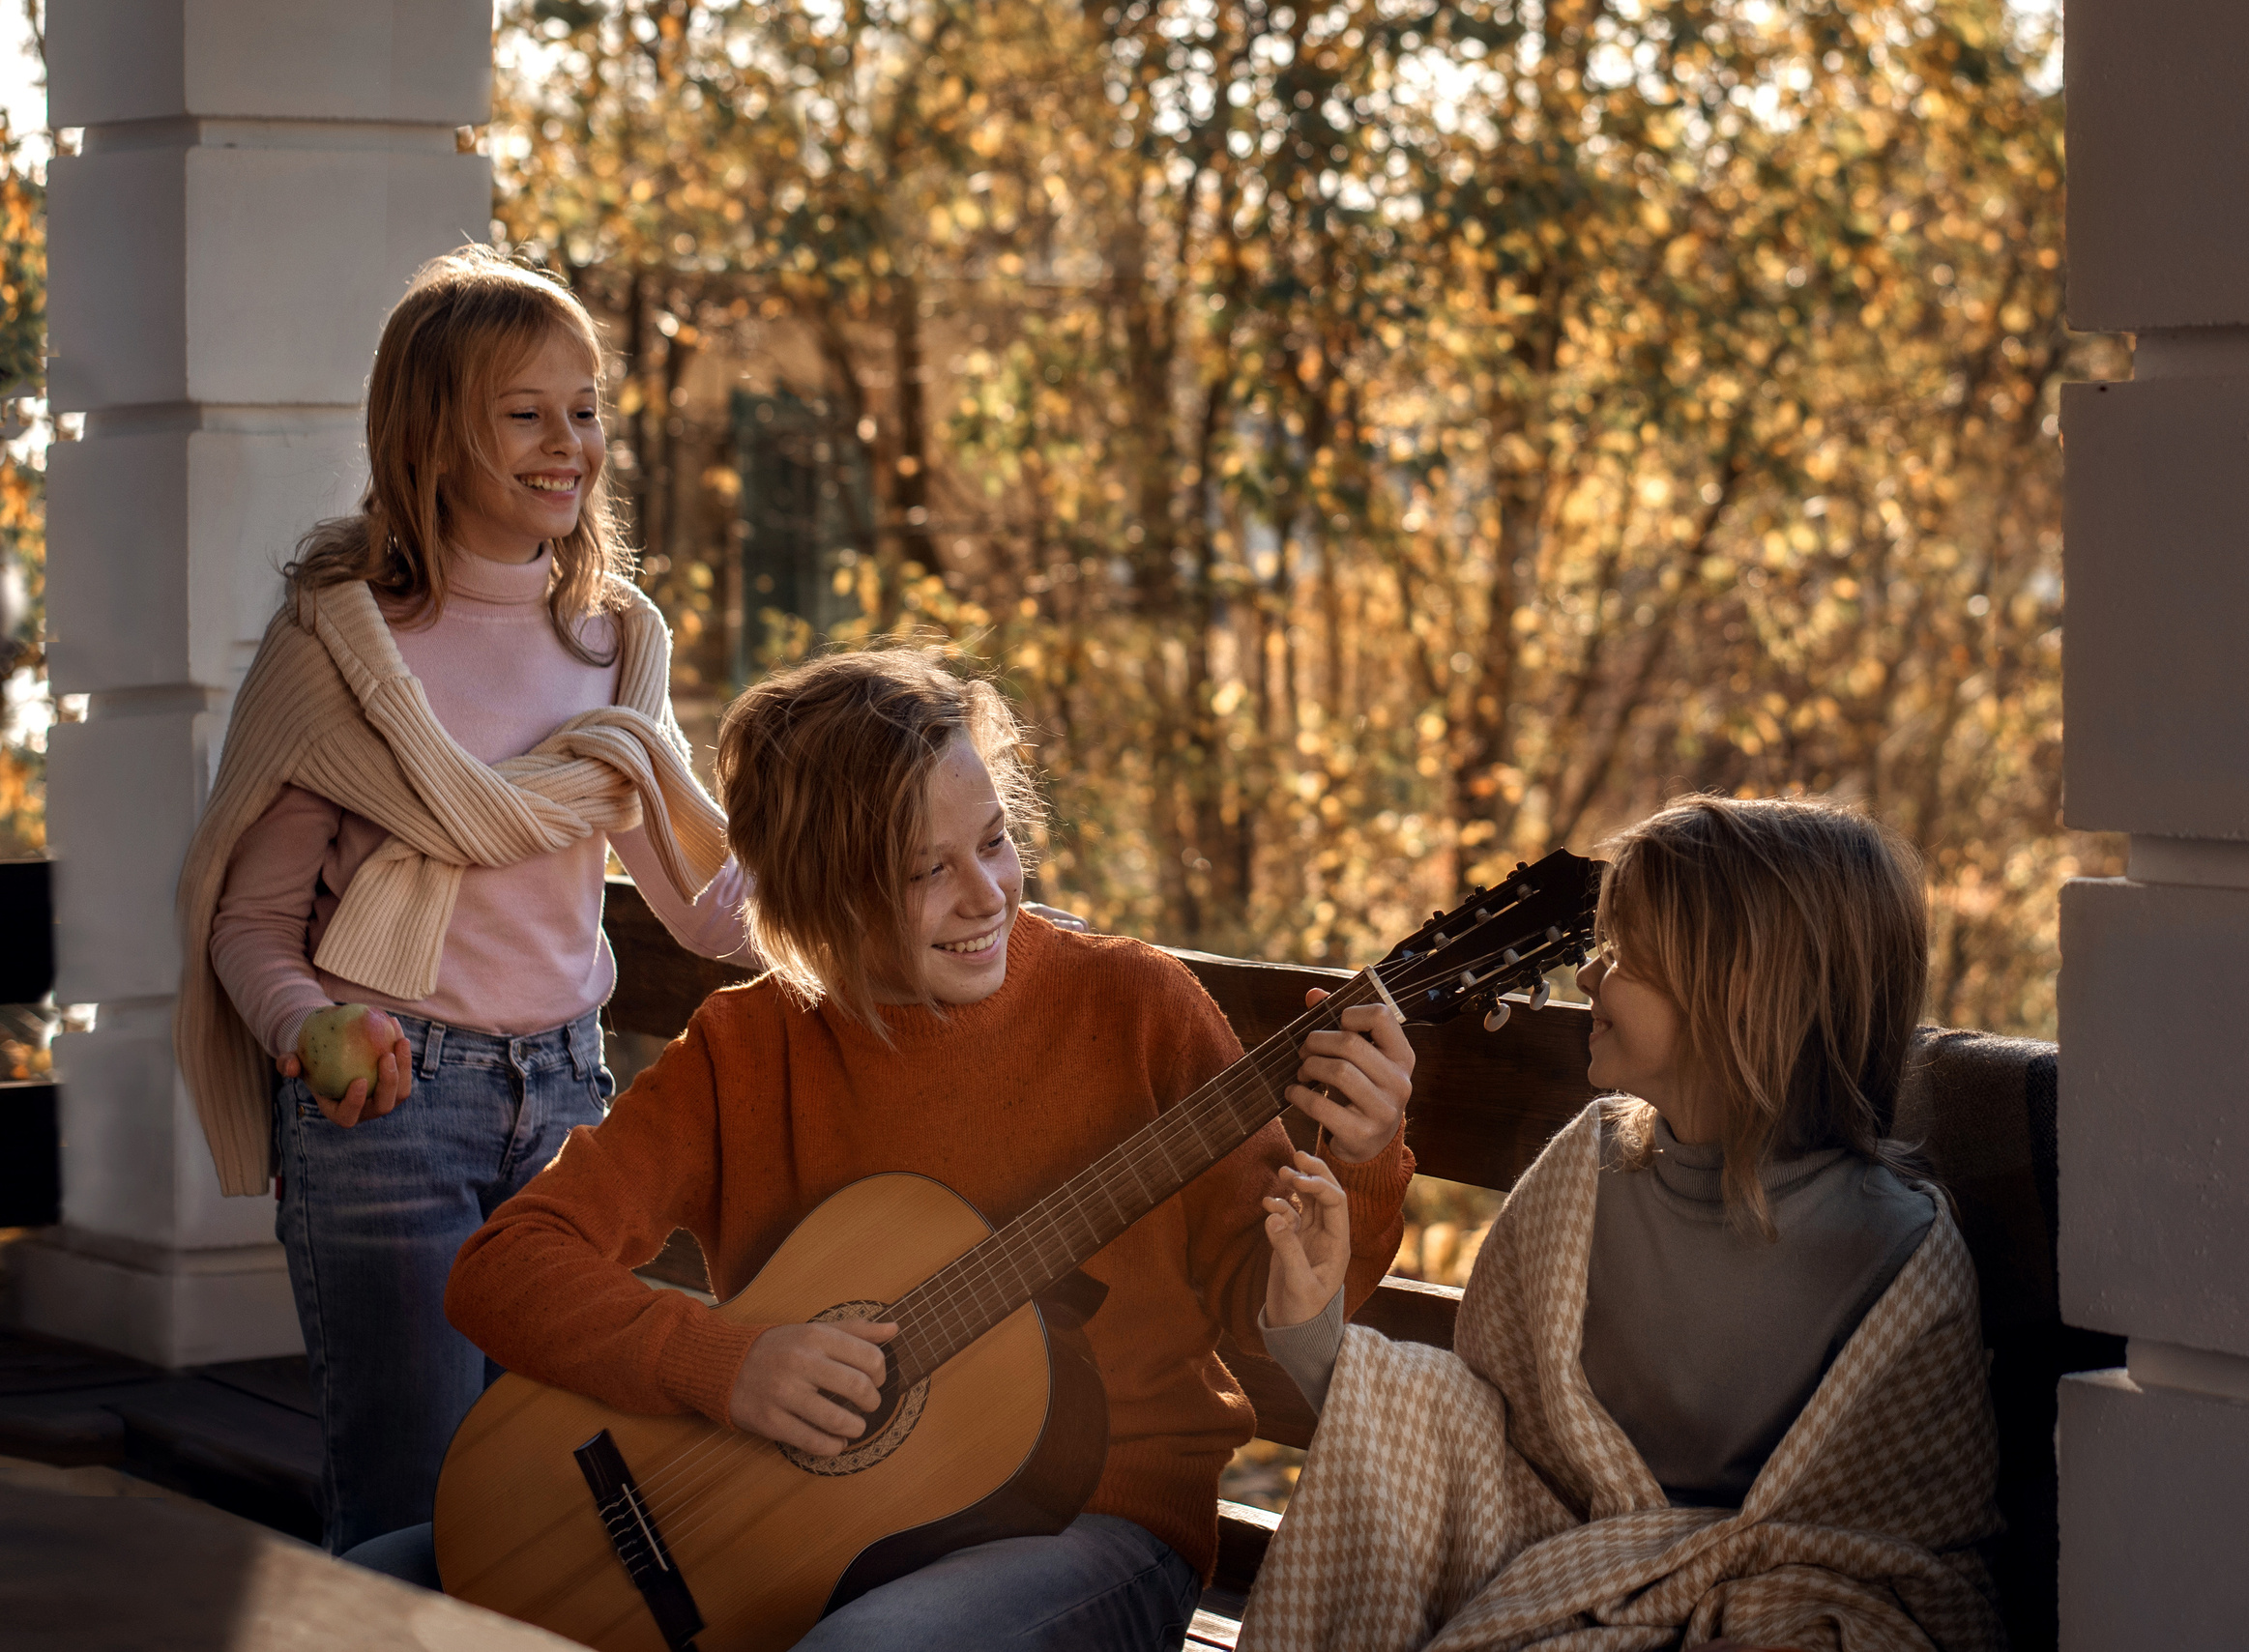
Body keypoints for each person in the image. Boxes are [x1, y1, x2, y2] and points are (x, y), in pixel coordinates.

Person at [347, 646, 1418, 1650]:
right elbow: (506, 1265)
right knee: (362, 1593)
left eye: (992, 841)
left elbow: (1263, 1302)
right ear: (824, 894)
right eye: (925, 870)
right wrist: (725, 1363)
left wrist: (1359, 1164)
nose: (986, 893)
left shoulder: (1133, 1005)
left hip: (1099, 1520)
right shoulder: (748, 1044)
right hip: (796, 1512)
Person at [173, 246, 753, 1554]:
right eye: (526, 412)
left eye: (589, 408)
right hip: (388, 1109)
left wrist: (864, 872)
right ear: (434, 433)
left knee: (560, 1511)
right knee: (410, 1517)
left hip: (569, 1107)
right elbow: (251, 925)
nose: (572, 444)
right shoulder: (342, 643)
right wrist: (307, 1028)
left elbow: (709, 912)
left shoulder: (618, 646)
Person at [1246, 797, 2008, 1652]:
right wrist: (1315, 1324)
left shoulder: (1902, 1260)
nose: (1585, 976)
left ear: (1739, 990)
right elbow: (1465, 1446)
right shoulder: (1587, 1176)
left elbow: (1913, 1575)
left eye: (1622, 957)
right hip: (1550, 1602)